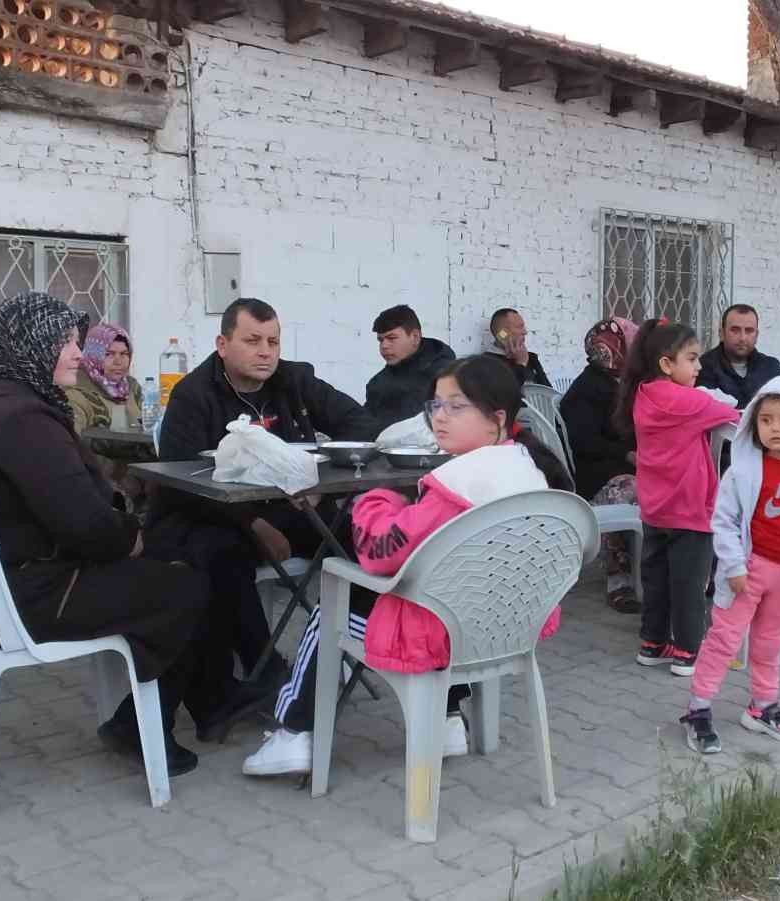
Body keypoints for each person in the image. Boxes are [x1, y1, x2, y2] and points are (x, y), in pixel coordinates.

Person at [0, 292, 219, 775]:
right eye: (64, 340)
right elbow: (88, 528)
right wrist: (134, 538)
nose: (79, 353)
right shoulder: (18, 418)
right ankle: (140, 723)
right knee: (186, 583)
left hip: (1, 586)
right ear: (31, 346)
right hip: (31, 597)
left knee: (185, 551)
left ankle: (212, 699)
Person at [242, 355, 573, 776]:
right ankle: (448, 718)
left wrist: (376, 500)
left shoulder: (457, 486)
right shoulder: (526, 469)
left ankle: (293, 732)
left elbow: (380, 552)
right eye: (435, 405)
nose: (440, 417)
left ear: (496, 419)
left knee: (333, 606)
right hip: (506, 626)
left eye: (458, 406)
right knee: (439, 583)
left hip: (439, 635)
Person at [146, 298, 380, 737]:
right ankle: (261, 670)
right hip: (216, 517)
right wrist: (252, 521)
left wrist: (314, 475)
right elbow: (181, 481)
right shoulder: (194, 394)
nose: (265, 352)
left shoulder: (296, 380)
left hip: (295, 508)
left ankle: (342, 655)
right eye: (252, 340)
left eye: (273, 341)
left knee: (363, 536)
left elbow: (360, 424)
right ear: (223, 344)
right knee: (217, 552)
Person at [679, 375, 780, 754]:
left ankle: (762, 706)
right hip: (747, 572)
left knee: (771, 644)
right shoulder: (743, 472)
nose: (776, 427)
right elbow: (722, 521)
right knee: (724, 640)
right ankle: (698, 708)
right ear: (754, 423)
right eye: (767, 419)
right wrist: (734, 566)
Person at [619, 320, 741, 674]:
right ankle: (688, 650)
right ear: (666, 364)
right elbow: (730, 413)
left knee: (657, 581)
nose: (699, 366)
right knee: (689, 585)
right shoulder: (687, 401)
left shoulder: (642, 394)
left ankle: (652, 643)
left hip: (655, 508)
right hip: (689, 509)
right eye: (692, 358)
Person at [560, 317, 642, 613]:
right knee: (631, 490)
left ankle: (658, 571)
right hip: (594, 476)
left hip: (616, 467)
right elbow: (584, 442)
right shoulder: (589, 389)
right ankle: (619, 579)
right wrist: (627, 455)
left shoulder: (617, 383)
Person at [67, 323, 151, 510]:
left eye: (124, 354)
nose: (118, 361)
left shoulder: (131, 387)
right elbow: (71, 440)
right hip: (104, 482)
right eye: (109, 354)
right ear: (94, 355)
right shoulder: (79, 390)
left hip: (138, 472)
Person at [363, 304, 457, 426]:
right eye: (380, 340)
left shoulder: (447, 376)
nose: (384, 346)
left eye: (391, 338)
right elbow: (365, 425)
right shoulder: (377, 384)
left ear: (415, 337)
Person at [696, 304, 780, 409]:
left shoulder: (771, 368)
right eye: (735, 330)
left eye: (749, 331)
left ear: (756, 336)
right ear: (722, 334)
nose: (742, 338)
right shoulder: (703, 367)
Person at [484, 308, 550, 387]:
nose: (525, 332)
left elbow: (549, 391)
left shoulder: (531, 358)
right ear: (503, 333)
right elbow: (505, 394)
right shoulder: (487, 363)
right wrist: (521, 364)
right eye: (519, 327)